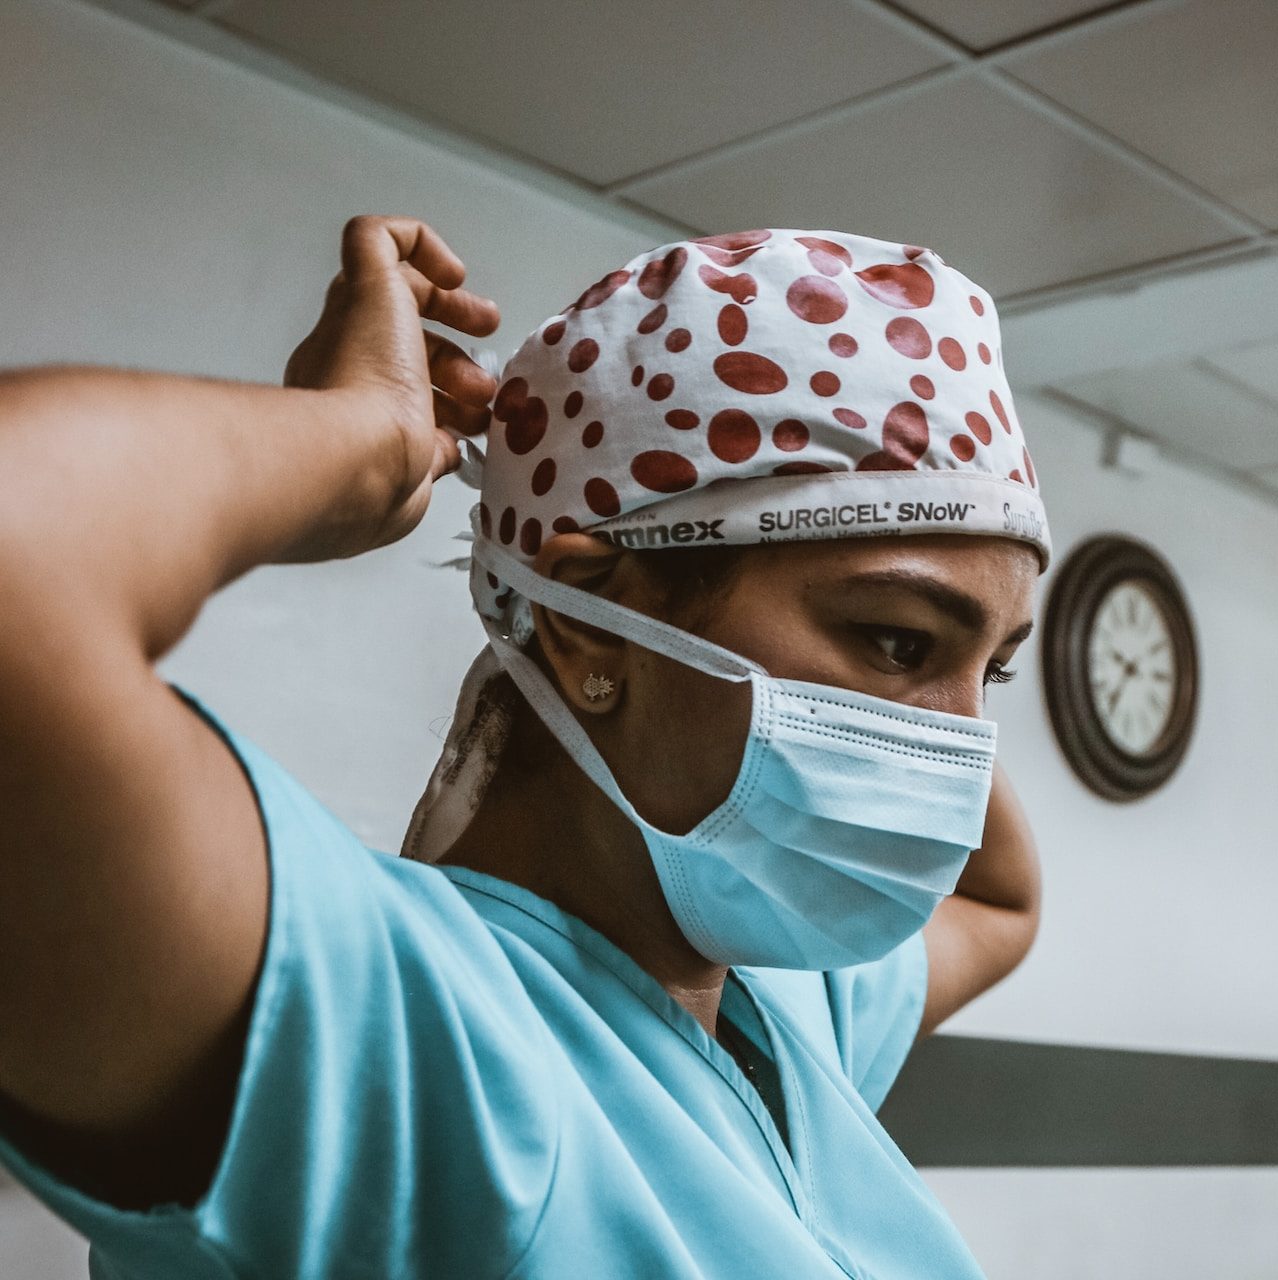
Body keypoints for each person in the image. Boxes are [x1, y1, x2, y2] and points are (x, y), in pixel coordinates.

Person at [0, 215, 1046, 1278]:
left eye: (993, 671)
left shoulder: (784, 1014)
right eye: (895, 639)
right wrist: (367, 437)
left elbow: (999, 901)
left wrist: (939, 614)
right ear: (590, 623)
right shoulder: (406, 1044)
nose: (957, 746)